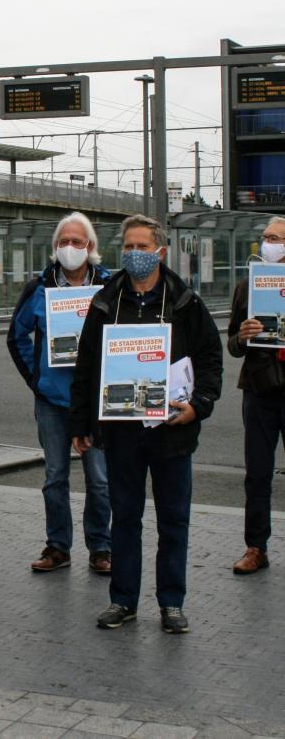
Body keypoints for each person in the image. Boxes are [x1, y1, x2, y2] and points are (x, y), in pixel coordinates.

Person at [70, 214, 222, 635]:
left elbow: (211, 359)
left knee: (174, 519)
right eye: (129, 247)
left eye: (143, 247)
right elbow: (86, 366)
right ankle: (123, 601)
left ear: (160, 251)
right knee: (126, 517)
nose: (135, 254)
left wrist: (199, 405)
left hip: (172, 430)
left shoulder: (185, 302)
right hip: (121, 432)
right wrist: (81, 422)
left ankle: (172, 603)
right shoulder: (105, 302)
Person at [8, 212, 112, 574]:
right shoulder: (39, 288)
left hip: (97, 401)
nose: (70, 247)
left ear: (91, 247)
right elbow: (16, 335)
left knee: (99, 479)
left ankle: (101, 547)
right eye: (63, 241)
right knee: (55, 477)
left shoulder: (111, 286)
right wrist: (36, 380)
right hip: (53, 401)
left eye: (77, 241)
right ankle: (58, 547)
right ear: (55, 247)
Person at [226, 215, 285, 574]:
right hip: (259, 391)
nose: (269, 243)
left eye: (277, 237)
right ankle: (255, 547)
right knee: (258, 473)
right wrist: (243, 336)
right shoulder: (247, 286)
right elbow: (232, 344)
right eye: (266, 237)